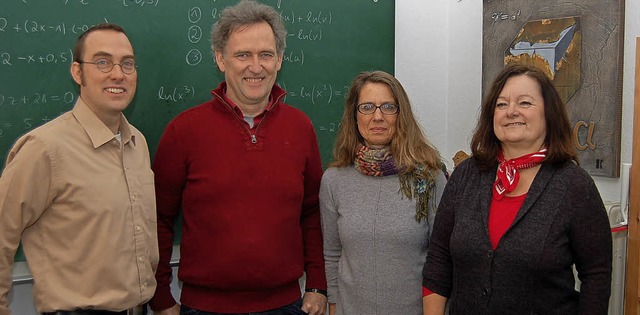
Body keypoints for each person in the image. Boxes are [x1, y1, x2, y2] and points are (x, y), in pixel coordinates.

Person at [148, 1, 327, 314]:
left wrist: (317, 285)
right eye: (243, 54)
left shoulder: (301, 128)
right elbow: (158, 219)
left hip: (285, 305)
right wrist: (161, 296)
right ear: (220, 59)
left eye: (266, 55)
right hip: (203, 308)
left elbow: (312, 212)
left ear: (280, 59)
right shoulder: (183, 131)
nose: (255, 67)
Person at [422, 64, 612, 314]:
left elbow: (596, 276)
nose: (511, 111)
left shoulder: (575, 186)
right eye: (501, 104)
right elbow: (439, 258)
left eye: (524, 103)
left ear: (549, 113)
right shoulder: (466, 175)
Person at [0, 23, 157, 314]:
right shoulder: (44, 149)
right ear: (77, 72)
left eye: (127, 64)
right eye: (102, 62)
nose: (117, 74)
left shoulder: (137, 143)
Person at [320, 70, 447, 315]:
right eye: (367, 107)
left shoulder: (429, 178)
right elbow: (332, 253)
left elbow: (440, 260)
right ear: (354, 116)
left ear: (401, 115)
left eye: (388, 107)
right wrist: (334, 307)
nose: (377, 117)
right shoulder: (334, 180)